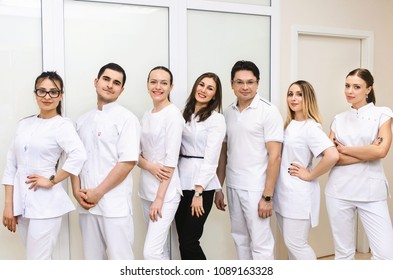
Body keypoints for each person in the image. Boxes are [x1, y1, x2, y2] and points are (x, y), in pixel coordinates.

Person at [2, 71, 86, 259]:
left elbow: (79, 155)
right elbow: (11, 165)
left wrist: (52, 180)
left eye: (53, 92)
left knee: (37, 262)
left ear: (60, 96)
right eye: (42, 91)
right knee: (36, 261)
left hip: (46, 205)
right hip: (22, 203)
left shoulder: (62, 125)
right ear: (35, 94)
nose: (47, 96)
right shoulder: (24, 124)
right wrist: (9, 204)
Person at [71, 63, 140, 260]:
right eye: (106, 79)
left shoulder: (127, 119)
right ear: (96, 81)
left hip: (114, 205)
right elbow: (75, 160)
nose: (110, 85)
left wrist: (98, 192)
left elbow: (127, 163)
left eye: (116, 82)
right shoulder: (82, 120)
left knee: (121, 262)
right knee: (92, 263)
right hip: (87, 206)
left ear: (122, 89)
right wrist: (77, 192)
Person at [215, 60, 283, 260]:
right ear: (232, 84)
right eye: (240, 82)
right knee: (240, 239)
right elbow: (223, 155)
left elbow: (275, 156)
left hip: (257, 188)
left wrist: (267, 197)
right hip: (234, 186)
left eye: (250, 82)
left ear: (258, 83)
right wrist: (218, 187)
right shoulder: (227, 113)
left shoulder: (269, 111)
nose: (245, 87)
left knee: (261, 244)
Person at [325, 68, 393, 260]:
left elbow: (381, 151)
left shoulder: (383, 114)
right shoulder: (339, 119)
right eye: (347, 86)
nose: (350, 91)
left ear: (368, 89)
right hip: (338, 191)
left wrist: (344, 149)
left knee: (386, 256)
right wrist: (367, 151)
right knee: (344, 253)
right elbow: (331, 157)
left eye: (356, 87)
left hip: (371, 191)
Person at [273, 80, 339, 260]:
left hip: (298, 195)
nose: (293, 98)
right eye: (290, 94)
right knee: (291, 247)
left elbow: (332, 155)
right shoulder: (287, 125)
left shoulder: (311, 127)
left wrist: (309, 175)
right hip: (282, 193)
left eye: (299, 94)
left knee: (296, 244)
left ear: (307, 98)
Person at [175, 72, 226, 260]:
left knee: (190, 240)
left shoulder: (216, 119)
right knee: (183, 239)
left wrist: (198, 192)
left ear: (215, 95)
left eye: (210, 88)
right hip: (180, 183)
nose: (204, 90)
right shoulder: (183, 114)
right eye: (201, 85)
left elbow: (212, 158)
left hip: (201, 186)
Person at [138, 66, 184, 260]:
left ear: (171, 87)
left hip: (165, 193)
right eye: (154, 82)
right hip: (145, 189)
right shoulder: (146, 115)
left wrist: (159, 199)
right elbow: (135, 154)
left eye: (164, 83)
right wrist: (148, 166)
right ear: (148, 84)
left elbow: (171, 161)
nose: (158, 87)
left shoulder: (173, 115)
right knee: (161, 250)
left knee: (151, 253)